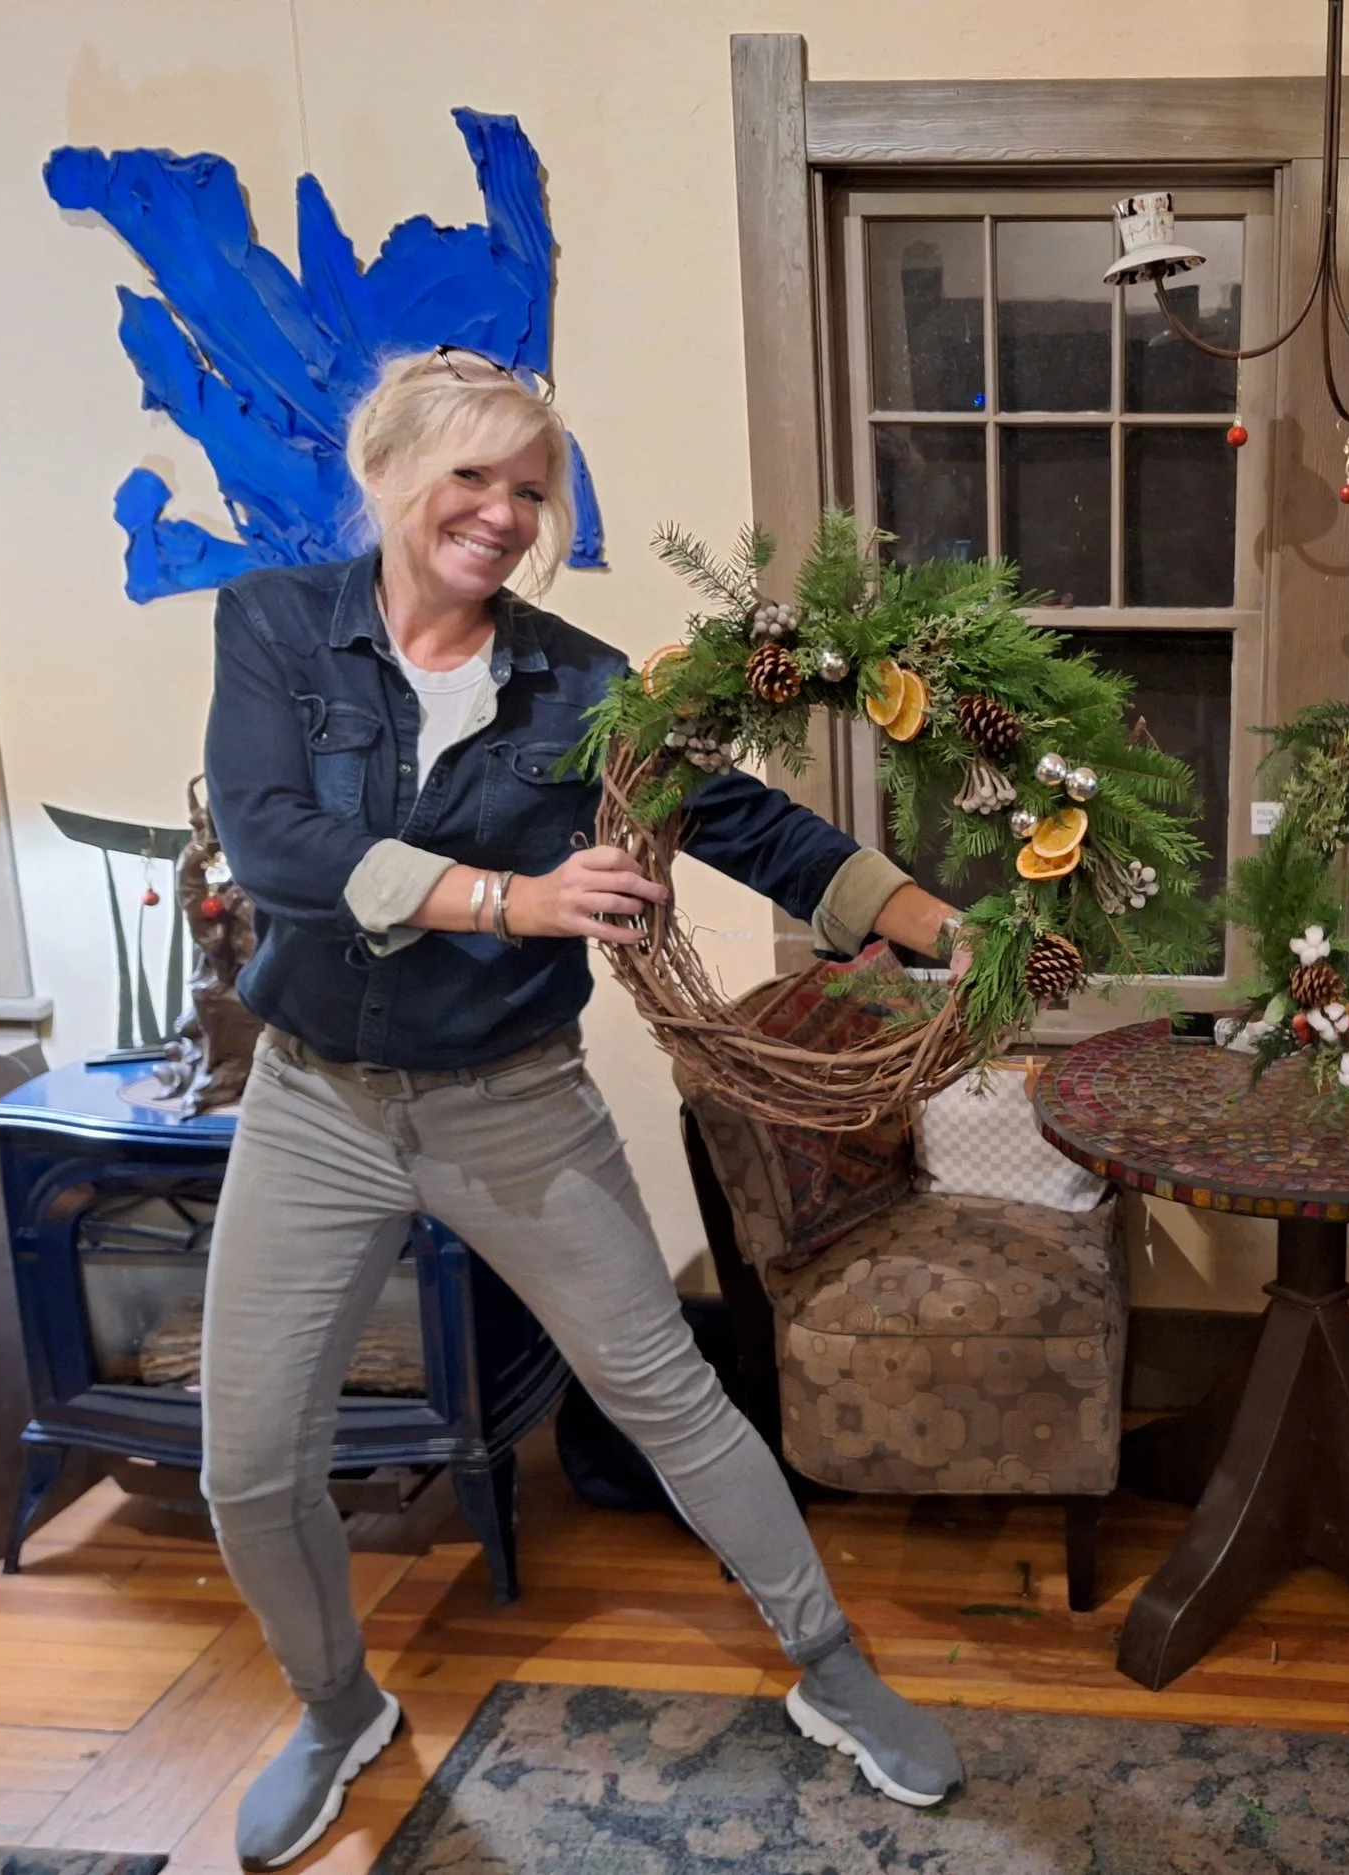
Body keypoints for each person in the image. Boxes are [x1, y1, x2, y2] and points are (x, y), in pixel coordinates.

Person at [200, 349, 969, 1870]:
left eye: (529, 490)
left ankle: (829, 1665)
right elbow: (273, 843)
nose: (500, 513)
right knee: (251, 1459)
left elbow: (750, 824)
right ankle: (336, 1704)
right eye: (472, 475)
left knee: (670, 1397)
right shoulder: (276, 628)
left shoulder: (584, 685)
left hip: (513, 1107)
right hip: (315, 1106)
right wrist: (513, 898)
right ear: (390, 470)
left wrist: (961, 934)